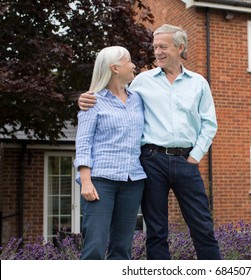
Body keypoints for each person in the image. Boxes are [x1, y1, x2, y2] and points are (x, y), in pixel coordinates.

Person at [78, 24, 221, 260]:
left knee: (202, 226)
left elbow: (209, 123)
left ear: (180, 47)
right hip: (151, 161)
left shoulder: (198, 83)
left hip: (186, 160)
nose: (157, 52)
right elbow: (111, 95)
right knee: (156, 230)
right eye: (155, 47)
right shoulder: (142, 81)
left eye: (163, 46)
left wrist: (195, 156)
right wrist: (83, 99)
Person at [74, 46, 146, 260]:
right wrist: (85, 181)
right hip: (100, 182)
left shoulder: (138, 99)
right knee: (95, 246)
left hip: (133, 181)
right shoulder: (93, 101)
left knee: (122, 248)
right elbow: (83, 143)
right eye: (129, 61)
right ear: (115, 68)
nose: (134, 65)